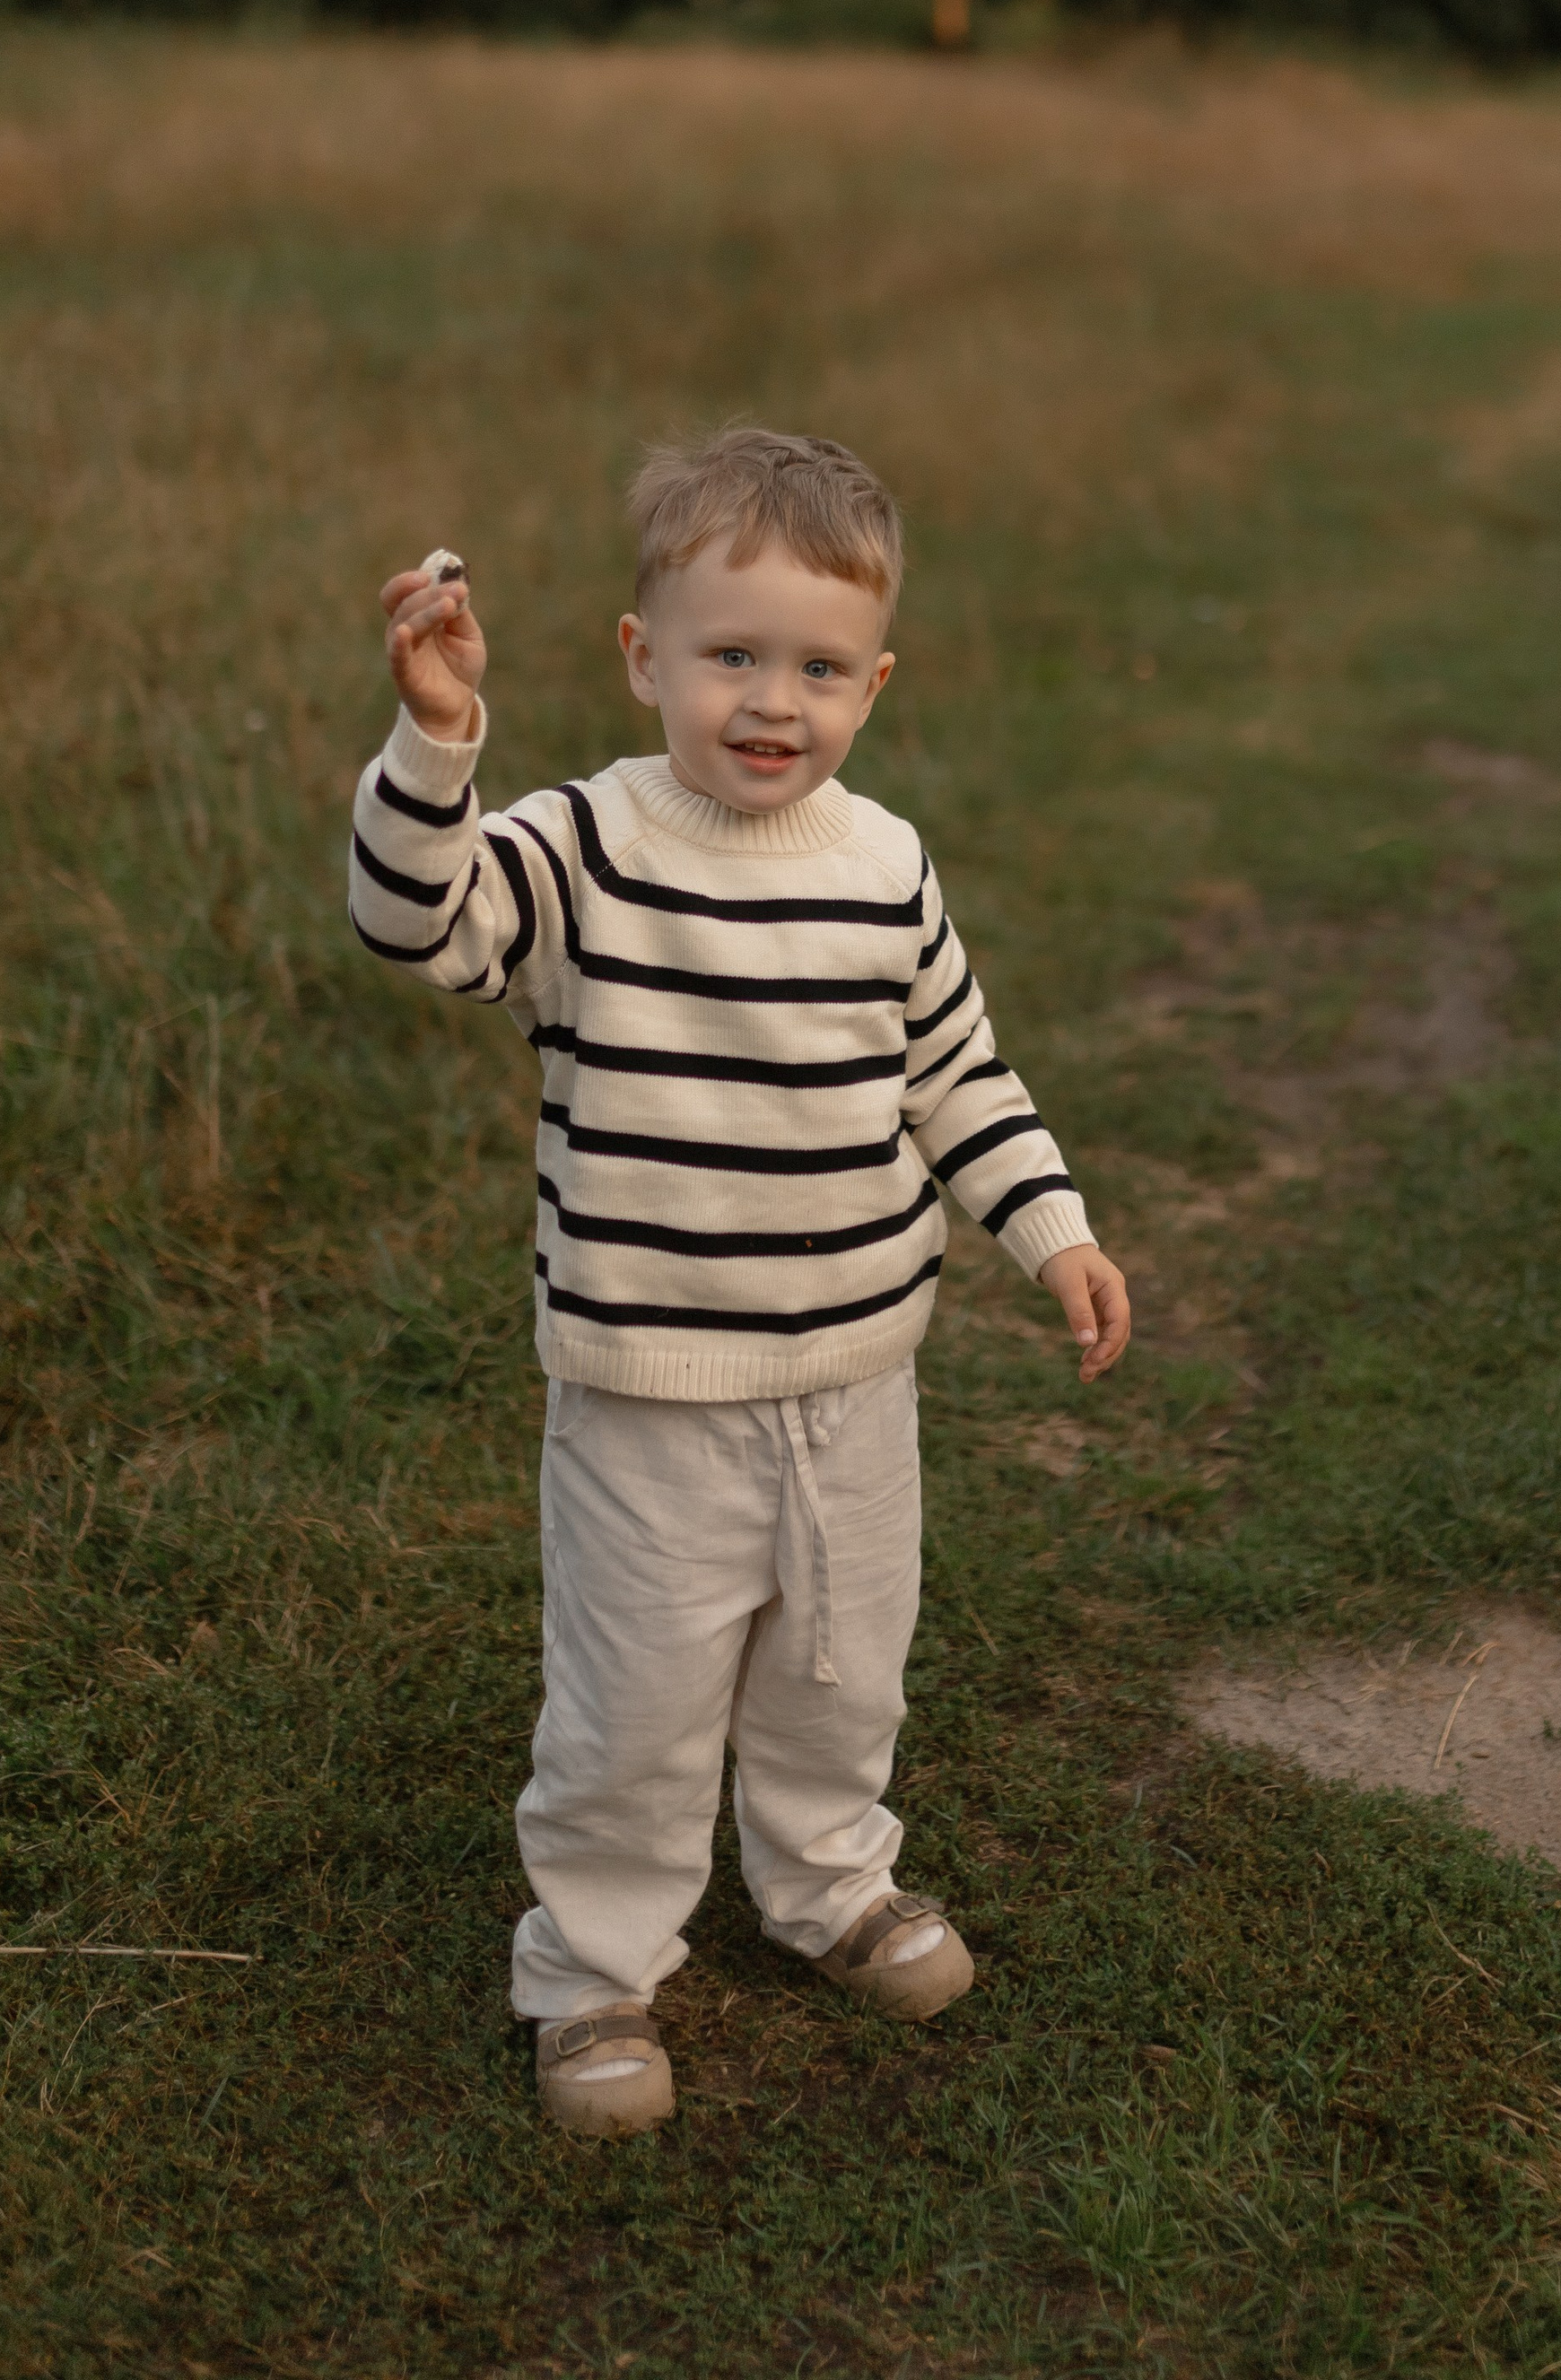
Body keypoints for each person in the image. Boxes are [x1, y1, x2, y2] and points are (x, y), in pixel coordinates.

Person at [349, 426, 1130, 2137]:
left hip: (856, 1381)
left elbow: (959, 1080)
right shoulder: (587, 851)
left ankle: (829, 1884)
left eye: (821, 668)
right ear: (645, 660)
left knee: (842, 1671)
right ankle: (596, 1972)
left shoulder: (884, 868)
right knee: (637, 1702)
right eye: (732, 657)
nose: (774, 702)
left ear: (876, 683)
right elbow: (421, 924)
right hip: (649, 1396)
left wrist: (1051, 1228)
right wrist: (438, 736)